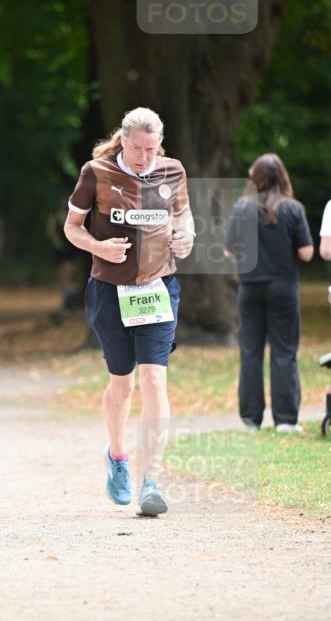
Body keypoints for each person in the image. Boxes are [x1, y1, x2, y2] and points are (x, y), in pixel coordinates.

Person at [64, 107, 194, 516]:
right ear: (124, 141)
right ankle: (117, 458)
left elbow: (183, 215)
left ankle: (151, 481)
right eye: (137, 149)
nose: (144, 157)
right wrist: (98, 247)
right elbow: (72, 227)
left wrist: (187, 236)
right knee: (122, 385)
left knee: (154, 380)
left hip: (158, 287)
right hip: (108, 290)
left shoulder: (173, 171)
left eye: (151, 149)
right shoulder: (96, 172)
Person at [224, 154, 313, 433]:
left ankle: (251, 420)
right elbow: (307, 253)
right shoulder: (293, 209)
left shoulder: (242, 207)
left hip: (250, 287)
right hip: (283, 287)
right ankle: (286, 420)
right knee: (284, 351)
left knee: (250, 351)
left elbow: (229, 250)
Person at [46, 195, 81, 310]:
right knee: (63, 273)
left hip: (71, 248)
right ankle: (65, 297)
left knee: (69, 271)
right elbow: (50, 231)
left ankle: (69, 296)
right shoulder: (55, 216)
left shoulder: (74, 215)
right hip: (61, 249)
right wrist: (57, 243)